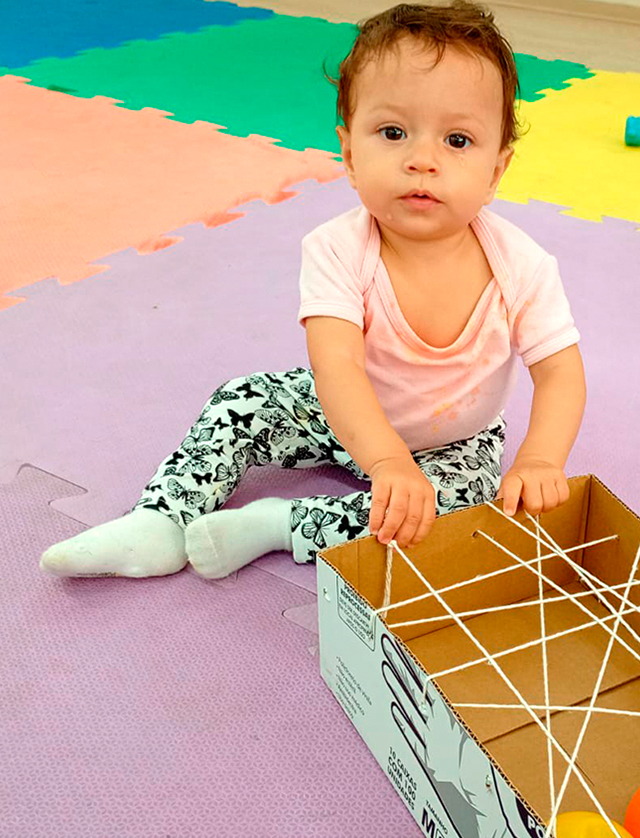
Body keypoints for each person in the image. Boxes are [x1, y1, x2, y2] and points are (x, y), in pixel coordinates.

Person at [40, 1, 586, 580]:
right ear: (349, 154)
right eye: (394, 133)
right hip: (341, 413)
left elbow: (560, 371)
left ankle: (281, 524)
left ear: (496, 171)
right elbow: (338, 369)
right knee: (241, 400)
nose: (422, 160)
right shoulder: (336, 249)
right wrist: (384, 460)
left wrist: (540, 459)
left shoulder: (522, 266)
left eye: (457, 141)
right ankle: (160, 519)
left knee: (460, 509)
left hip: (455, 440)